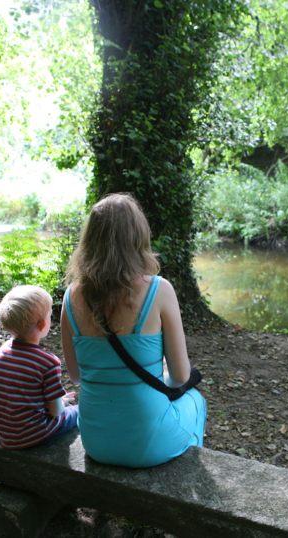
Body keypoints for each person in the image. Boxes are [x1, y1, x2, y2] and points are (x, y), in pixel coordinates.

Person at [61, 193, 206, 468]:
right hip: (147, 444)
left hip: (95, 442)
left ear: (89, 239)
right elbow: (179, 377)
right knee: (196, 400)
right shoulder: (159, 290)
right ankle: (187, 482)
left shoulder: (70, 297)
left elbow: (76, 376)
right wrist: (157, 370)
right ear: (138, 238)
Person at [0, 285, 78, 449]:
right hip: (34, 434)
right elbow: (55, 412)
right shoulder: (48, 362)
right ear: (43, 324)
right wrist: (62, 403)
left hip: (6, 434)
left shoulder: (0, 355)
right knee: (79, 411)